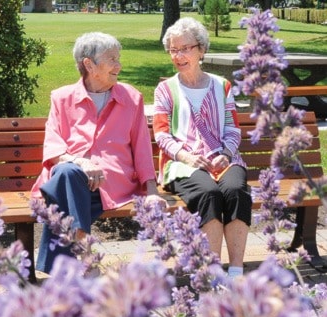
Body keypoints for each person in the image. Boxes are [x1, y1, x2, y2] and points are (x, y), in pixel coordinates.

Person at [31, 32, 164, 274]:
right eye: (112, 59)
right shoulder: (62, 98)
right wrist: (80, 162)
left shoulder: (132, 98)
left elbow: (143, 147)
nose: (119, 65)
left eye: (118, 58)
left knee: (62, 188)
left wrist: (152, 191)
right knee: (67, 172)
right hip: (73, 180)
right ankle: (84, 251)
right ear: (89, 65)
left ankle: (75, 264)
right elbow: (52, 145)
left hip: (112, 183)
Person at [153, 17, 252, 278]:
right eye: (173, 49)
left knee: (235, 190)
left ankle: (237, 272)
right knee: (209, 192)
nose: (178, 55)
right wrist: (186, 156)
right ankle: (213, 272)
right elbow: (161, 135)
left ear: (201, 49)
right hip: (182, 164)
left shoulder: (222, 86)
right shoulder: (165, 89)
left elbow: (232, 128)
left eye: (185, 48)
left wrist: (226, 153)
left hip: (224, 158)